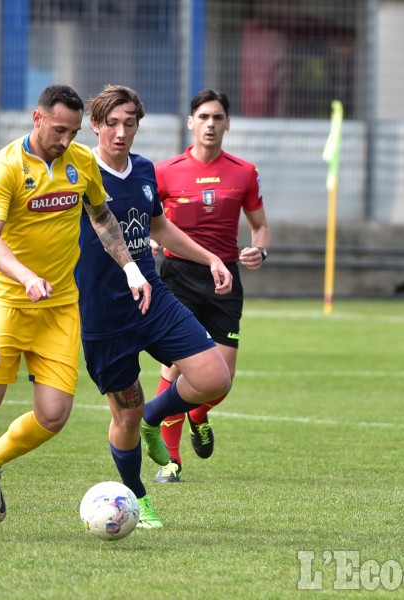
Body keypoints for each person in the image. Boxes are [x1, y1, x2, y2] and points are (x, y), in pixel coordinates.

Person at [0, 84, 151, 542]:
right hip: (7, 302)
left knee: (54, 415)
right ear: (37, 118)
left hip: (61, 306)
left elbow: (102, 218)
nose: (66, 140)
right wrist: (25, 276)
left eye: (74, 132)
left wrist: (132, 270)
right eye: (59, 130)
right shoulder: (5, 167)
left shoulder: (81, 163)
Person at [78, 84, 233, 526]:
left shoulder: (145, 171)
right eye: (112, 124)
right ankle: (137, 497)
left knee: (213, 377)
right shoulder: (79, 172)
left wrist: (210, 258)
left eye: (130, 123)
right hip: (104, 312)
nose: (121, 133)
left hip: (152, 298)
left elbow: (160, 228)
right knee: (122, 414)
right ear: (95, 125)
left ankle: (155, 417)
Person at [151, 89, 271, 483]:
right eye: (203, 116)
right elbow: (152, 219)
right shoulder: (166, 170)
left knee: (222, 378)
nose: (210, 124)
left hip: (226, 279)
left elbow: (259, 227)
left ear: (228, 124)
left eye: (218, 117)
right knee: (174, 367)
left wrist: (260, 251)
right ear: (191, 122)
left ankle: (199, 413)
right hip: (179, 276)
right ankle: (171, 461)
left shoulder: (244, 171)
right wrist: (152, 239)